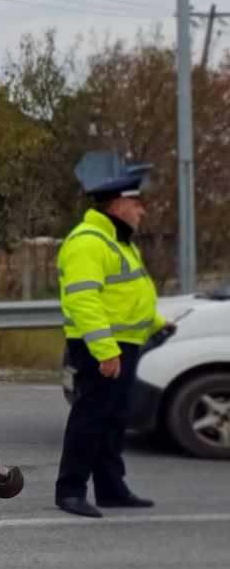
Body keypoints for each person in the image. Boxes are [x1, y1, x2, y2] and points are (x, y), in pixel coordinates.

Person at [54, 150, 171, 518]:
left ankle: (110, 488)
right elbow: (83, 301)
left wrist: (156, 324)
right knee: (90, 420)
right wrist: (105, 351)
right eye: (138, 205)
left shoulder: (117, 239)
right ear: (120, 205)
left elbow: (128, 294)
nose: (143, 211)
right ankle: (70, 491)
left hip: (122, 344)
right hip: (99, 347)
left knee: (113, 419)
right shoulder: (88, 242)